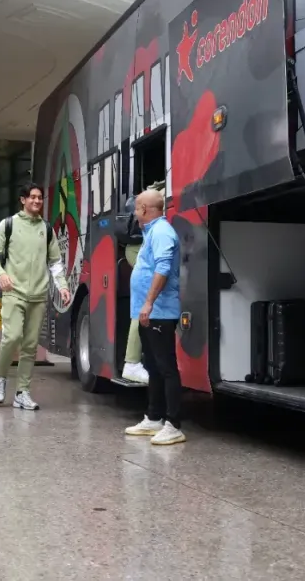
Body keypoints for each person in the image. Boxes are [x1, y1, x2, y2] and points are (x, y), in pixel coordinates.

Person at [0, 183, 70, 410]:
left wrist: (62, 286)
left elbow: (55, 262)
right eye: (32, 197)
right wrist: (1, 274)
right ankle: (0, 377)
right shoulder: (8, 225)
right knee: (12, 337)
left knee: (30, 346)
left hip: (38, 296)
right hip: (14, 292)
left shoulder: (47, 229)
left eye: (40, 197)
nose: (36, 201)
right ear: (23, 200)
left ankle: (22, 392)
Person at [123, 189, 185, 446]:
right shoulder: (151, 232)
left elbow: (163, 268)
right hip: (149, 313)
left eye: (136, 208)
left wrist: (148, 302)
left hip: (159, 311)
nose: (134, 212)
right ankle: (154, 418)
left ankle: (173, 425)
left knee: (166, 367)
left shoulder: (161, 232)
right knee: (154, 367)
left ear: (144, 209)